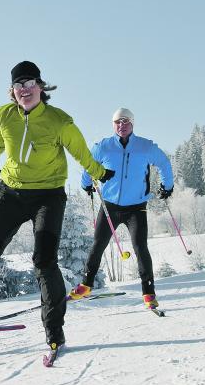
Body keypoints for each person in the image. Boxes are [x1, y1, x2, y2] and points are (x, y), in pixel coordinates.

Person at [0, 60, 114, 354]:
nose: (25, 89)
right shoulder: (3, 116)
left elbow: (80, 151)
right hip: (11, 194)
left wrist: (98, 172)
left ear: (41, 87)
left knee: (44, 261)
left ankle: (55, 331)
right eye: (19, 85)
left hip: (48, 196)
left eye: (30, 83)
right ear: (12, 91)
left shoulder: (59, 121)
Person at [72, 107, 174, 310]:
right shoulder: (103, 146)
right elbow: (88, 164)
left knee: (140, 247)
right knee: (98, 245)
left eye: (126, 121)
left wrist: (167, 185)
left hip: (136, 207)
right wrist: (86, 183)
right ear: (113, 125)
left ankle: (149, 293)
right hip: (110, 206)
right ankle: (86, 284)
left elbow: (163, 162)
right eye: (118, 122)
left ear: (132, 124)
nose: (122, 125)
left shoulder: (145, 146)